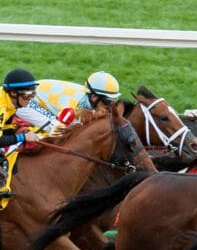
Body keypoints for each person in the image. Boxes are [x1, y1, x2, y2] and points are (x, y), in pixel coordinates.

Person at [17, 71, 123, 135]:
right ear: (94, 97)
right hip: (23, 100)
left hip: (37, 96)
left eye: (113, 101)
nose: (110, 106)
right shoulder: (72, 104)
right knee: (56, 127)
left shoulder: (89, 98)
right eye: (108, 102)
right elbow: (58, 131)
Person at [0, 69, 43, 200]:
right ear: (13, 93)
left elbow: (5, 128)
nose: (30, 99)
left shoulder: (9, 102)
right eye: (27, 95)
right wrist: (22, 137)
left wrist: (18, 130)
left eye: (33, 94)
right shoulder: (1, 107)